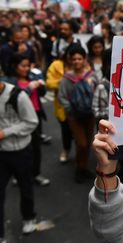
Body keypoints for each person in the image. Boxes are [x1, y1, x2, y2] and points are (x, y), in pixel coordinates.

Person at [0, 80, 39, 241]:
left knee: (26, 187)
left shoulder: (18, 96)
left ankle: (29, 217)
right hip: (1, 154)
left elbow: (32, 122)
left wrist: (6, 132)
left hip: (21, 151)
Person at [5, 53, 50, 186]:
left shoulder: (32, 77)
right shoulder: (10, 82)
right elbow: (14, 99)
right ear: (14, 66)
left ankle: (35, 174)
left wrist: (41, 87)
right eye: (22, 66)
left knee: (36, 148)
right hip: (19, 119)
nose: (26, 69)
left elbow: (42, 94)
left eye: (27, 66)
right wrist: (30, 88)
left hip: (35, 115)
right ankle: (18, 174)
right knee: (20, 148)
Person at [58, 45, 95, 183]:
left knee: (88, 142)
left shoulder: (91, 76)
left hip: (89, 114)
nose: (77, 62)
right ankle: (80, 169)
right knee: (81, 143)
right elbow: (62, 97)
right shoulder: (67, 78)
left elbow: (97, 93)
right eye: (74, 59)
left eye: (80, 58)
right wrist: (71, 110)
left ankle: (83, 166)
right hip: (74, 116)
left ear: (85, 59)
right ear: (70, 61)